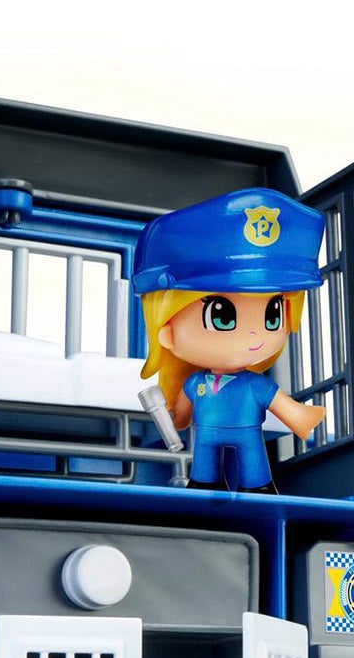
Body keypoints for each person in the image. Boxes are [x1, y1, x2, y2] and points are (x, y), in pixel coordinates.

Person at [132, 188, 329, 492]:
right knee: (205, 463)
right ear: (167, 332)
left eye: (272, 315)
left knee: (253, 459)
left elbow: (285, 408)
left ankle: (257, 485)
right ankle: (204, 483)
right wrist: (171, 417)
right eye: (222, 316)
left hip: (247, 433)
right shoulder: (195, 384)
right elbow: (181, 418)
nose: (254, 335)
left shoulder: (254, 385)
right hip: (206, 435)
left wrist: (303, 418)